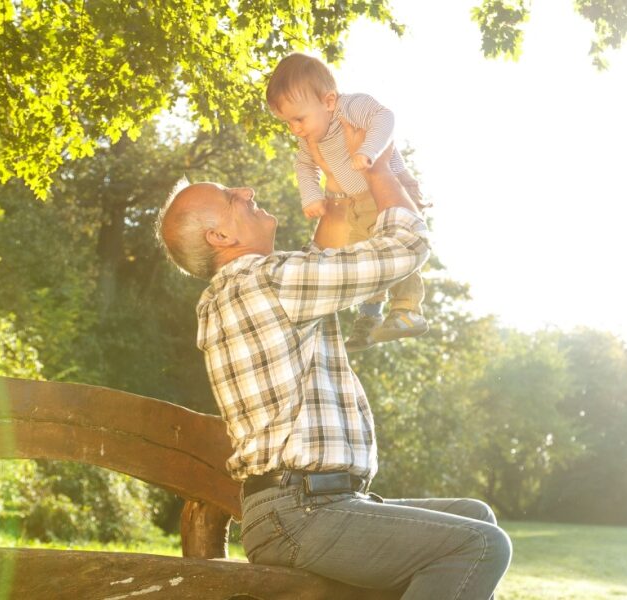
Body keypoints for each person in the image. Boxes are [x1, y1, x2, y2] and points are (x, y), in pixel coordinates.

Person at [156, 122, 511, 599]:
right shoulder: (268, 283)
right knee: (482, 545)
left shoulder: (247, 289)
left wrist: (341, 191)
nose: (246, 190)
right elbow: (404, 248)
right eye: (229, 196)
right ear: (219, 234)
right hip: (301, 513)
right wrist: (382, 169)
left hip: (302, 507)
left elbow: (323, 256)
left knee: (474, 517)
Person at [265, 52, 429, 353]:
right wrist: (312, 196)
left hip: (384, 192)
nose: (295, 129)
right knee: (364, 258)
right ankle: (369, 320)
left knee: (393, 245)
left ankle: (408, 309)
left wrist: (367, 150)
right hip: (355, 202)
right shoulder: (309, 139)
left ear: (328, 101)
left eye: (298, 119)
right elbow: (303, 166)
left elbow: (385, 118)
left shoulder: (350, 108)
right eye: (288, 123)